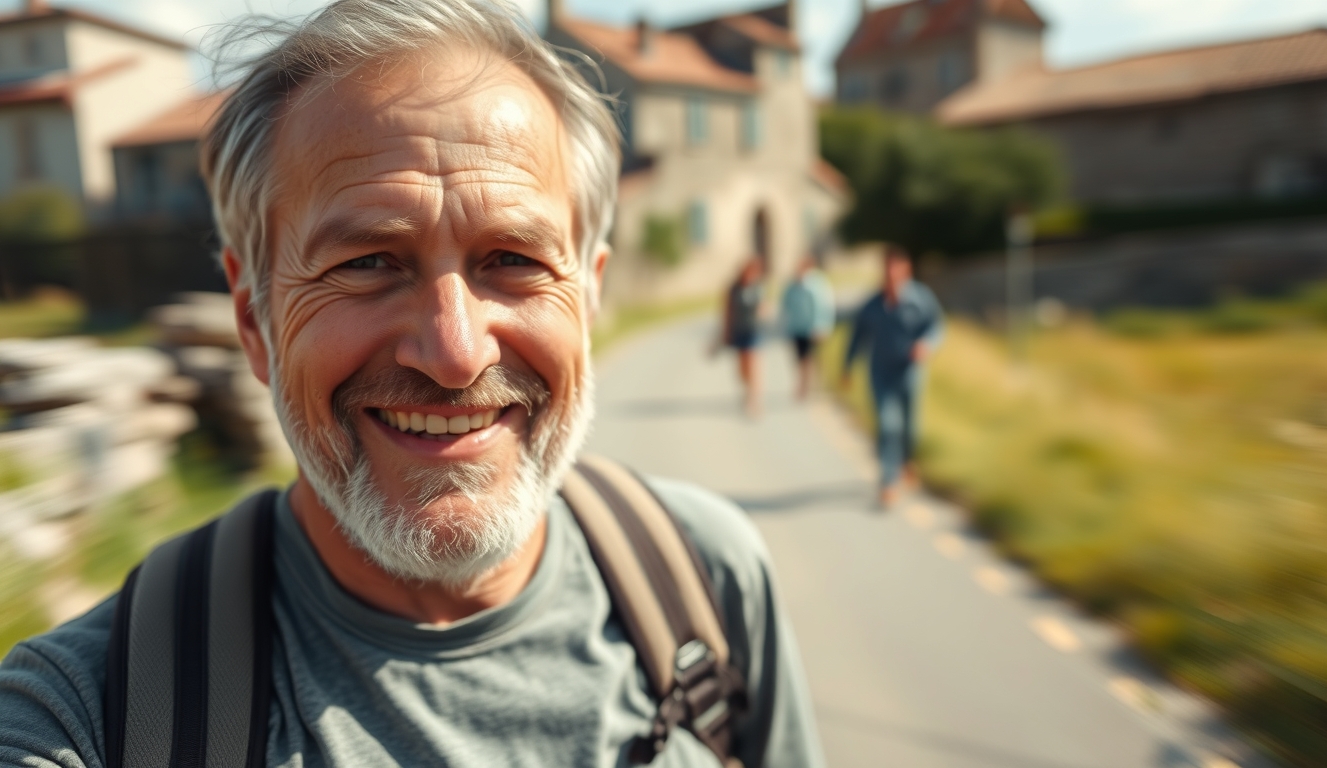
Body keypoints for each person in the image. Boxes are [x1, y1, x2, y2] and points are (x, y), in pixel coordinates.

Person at [0, 2, 824, 766]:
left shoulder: (705, 579)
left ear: (590, 296)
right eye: (366, 263)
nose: (455, 353)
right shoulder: (96, 714)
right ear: (254, 320)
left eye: (514, 261)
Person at [842, 246, 944, 508]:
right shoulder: (872, 305)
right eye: (886, 267)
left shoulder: (921, 298)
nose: (890, 273)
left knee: (910, 428)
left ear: (905, 269)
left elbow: (936, 326)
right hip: (880, 373)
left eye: (895, 267)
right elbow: (857, 337)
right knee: (888, 426)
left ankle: (906, 462)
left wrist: (926, 344)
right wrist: (847, 367)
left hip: (910, 372)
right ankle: (889, 480)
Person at [780, 256, 836, 400]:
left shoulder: (817, 284)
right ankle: (805, 384)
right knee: (800, 358)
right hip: (797, 327)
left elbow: (824, 306)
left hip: (813, 328)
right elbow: (785, 305)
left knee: (810, 357)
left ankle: (809, 386)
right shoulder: (792, 286)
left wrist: (823, 325)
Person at [723, 256, 766, 418]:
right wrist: (726, 332)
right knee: (742, 369)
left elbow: (763, 305)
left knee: (754, 365)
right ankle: (747, 390)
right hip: (738, 331)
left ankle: (754, 399)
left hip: (753, 331)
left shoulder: (757, 288)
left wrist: (763, 312)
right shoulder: (733, 289)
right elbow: (727, 311)